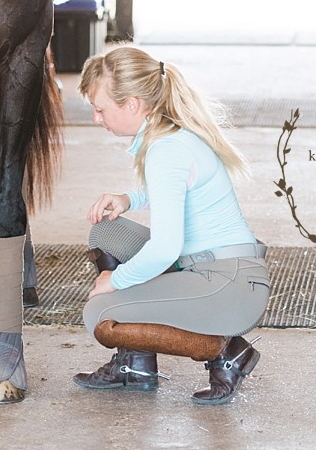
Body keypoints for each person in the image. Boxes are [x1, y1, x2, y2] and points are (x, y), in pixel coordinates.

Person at [73, 45, 270, 405]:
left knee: (100, 314)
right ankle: (136, 366)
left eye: (100, 109)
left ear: (132, 104)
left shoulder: (166, 150)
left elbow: (165, 249)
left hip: (228, 284)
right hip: (213, 269)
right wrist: (129, 199)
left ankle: (227, 352)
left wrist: (114, 281)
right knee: (106, 231)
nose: (96, 119)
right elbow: (177, 192)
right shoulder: (171, 136)